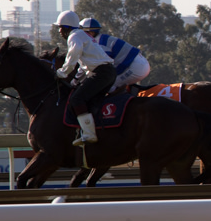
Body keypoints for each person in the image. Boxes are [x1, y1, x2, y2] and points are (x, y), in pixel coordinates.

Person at [53, 10, 116, 146]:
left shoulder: (74, 36)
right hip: (107, 72)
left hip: (101, 73)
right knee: (90, 100)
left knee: (77, 99)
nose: (59, 32)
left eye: (60, 28)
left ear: (66, 28)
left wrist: (61, 73)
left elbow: (72, 57)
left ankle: (89, 134)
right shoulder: (82, 34)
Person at [79, 17, 151, 92]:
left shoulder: (99, 44)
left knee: (106, 85)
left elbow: (100, 67)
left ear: (91, 33)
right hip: (138, 64)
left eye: (81, 33)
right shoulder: (99, 39)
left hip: (136, 67)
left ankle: (118, 103)